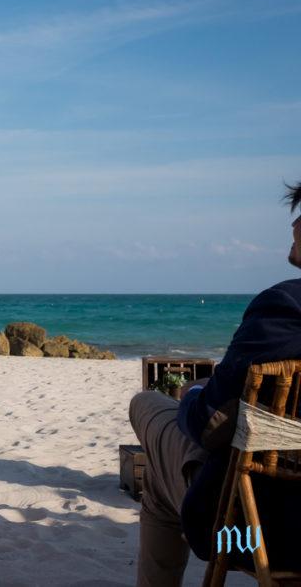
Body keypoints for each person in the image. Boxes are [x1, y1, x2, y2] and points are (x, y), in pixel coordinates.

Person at [129, 180, 301, 586]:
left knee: (148, 408)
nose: (294, 226)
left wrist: (191, 394)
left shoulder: (285, 307)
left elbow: (209, 424)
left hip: (253, 536)